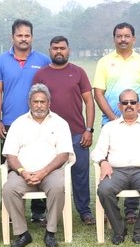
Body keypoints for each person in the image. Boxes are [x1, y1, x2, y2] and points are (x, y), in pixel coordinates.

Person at [0, 19, 51, 225]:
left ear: (32, 37)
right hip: (9, 122)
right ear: (12, 37)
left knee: (40, 161)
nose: (24, 39)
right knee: (10, 166)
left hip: (39, 121)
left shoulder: (42, 60)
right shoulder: (0, 61)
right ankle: (11, 211)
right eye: (20, 35)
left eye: (27, 35)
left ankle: (38, 211)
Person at [32, 36, 96, 225]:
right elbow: (35, 102)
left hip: (77, 132)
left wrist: (89, 129)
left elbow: (89, 102)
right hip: (49, 135)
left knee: (80, 173)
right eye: (54, 48)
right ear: (49, 50)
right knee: (47, 172)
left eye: (62, 48)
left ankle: (84, 211)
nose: (58, 51)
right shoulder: (41, 75)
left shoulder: (78, 72)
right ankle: (49, 212)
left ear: (68, 50)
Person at [92, 89, 140, 245]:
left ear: (139, 105)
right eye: (125, 103)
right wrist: (103, 162)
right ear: (119, 106)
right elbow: (97, 151)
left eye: (132, 102)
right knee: (104, 190)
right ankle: (119, 229)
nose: (129, 105)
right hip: (117, 171)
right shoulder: (110, 127)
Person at [1, 84, 73, 247]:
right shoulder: (18, 124)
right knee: (8, 189)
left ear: (49, 103)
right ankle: (22, 233)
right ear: (29, 103)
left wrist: (43, 172)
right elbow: (10, 155)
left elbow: (63, 155)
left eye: (42, 101)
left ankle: (51, 232)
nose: (39, 105)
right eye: (35, 102)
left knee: (57, 186)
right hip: (23, 173)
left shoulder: (60, 123)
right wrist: (22, 172)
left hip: (51, 172)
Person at [93, 22, 140, 223]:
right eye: (119, 36)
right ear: (114, 38)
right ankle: (111, 209)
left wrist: (139, 114)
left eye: (127, 36)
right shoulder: (104, 62)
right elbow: (98, 92)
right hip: (110, 120)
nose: (123, 39)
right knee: (111, 162)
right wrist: (112, 116)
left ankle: (132, 210)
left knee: (135, 159)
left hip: (137, 120)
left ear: (133, 39)